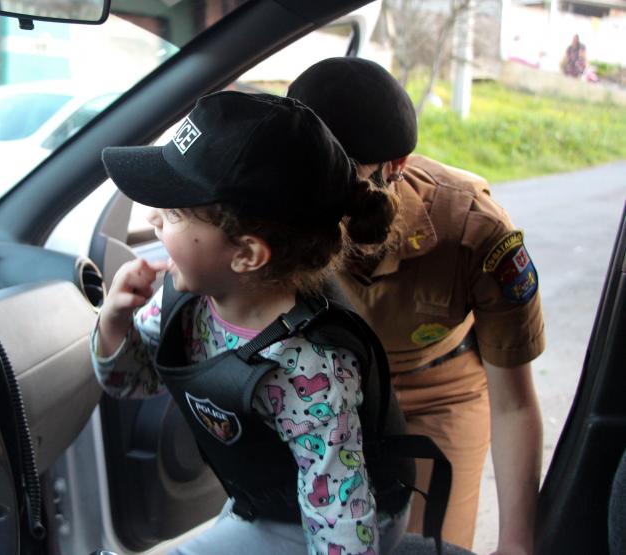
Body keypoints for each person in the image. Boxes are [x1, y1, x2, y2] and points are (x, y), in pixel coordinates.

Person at [91, 90, 407, 554]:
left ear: (246, 254)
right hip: (267, 497)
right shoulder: (189, 299)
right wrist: (114, 318)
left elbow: (341, 514)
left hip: (335, 521)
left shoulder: (309, 371)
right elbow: (133, 381)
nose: (154, 217)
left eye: (175, 213)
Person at [288, 57, 545, 553]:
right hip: (324, 390)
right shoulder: (275, 207)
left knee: (426, 545)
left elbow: (513, 403)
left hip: (438, 389)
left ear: (394, 167)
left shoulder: (473, 230)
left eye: (338, 172)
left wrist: (518, 541)